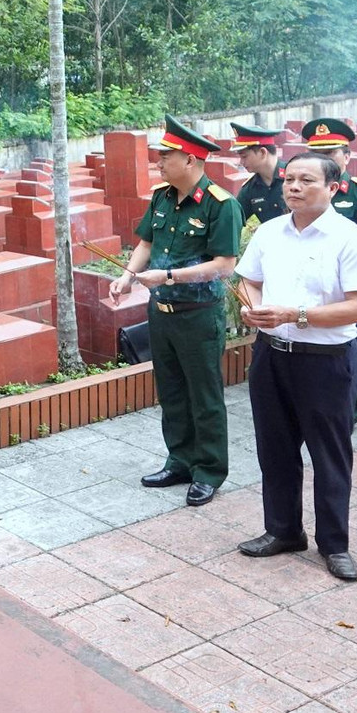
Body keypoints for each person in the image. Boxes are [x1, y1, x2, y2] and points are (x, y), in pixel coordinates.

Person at [234, 152, 357, 580]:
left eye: (306, 181)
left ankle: (334, 544)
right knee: (274, 448)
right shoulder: (271, 232)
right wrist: (253, 308)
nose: (293, 187)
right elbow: (250, 279)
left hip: (325, 363)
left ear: (333, 188)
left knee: (329, 454)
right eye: (289, 179)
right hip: (271, 357)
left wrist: (292, 316)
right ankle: (283, 530)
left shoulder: (352, 240)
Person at [109, 116, 242, 507]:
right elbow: (146, 243)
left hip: (198, 313)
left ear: (190, 160)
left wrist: (168, 275)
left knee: (204, 395)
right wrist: (127, 277)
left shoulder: (221, 205)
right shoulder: (162, 197)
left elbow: (224, 265)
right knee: (171, 391)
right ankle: (180, 460)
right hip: (161, 313)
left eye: (165, 157)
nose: (159, 163)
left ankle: (209, 470)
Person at [298, 117, 357, 424]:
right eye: (318, 154)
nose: (325, 160)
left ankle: (354, 409)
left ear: (347, 156)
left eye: (331, 153)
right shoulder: (306, 191)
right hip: (314, 281)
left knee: (356, 343)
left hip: (350, 285)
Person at [229, 123, 286, 224]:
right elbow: (234, 220)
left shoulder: (294, 176)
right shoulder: (250, 188)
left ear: (263, 152)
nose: (241, 163)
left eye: (244, 157)